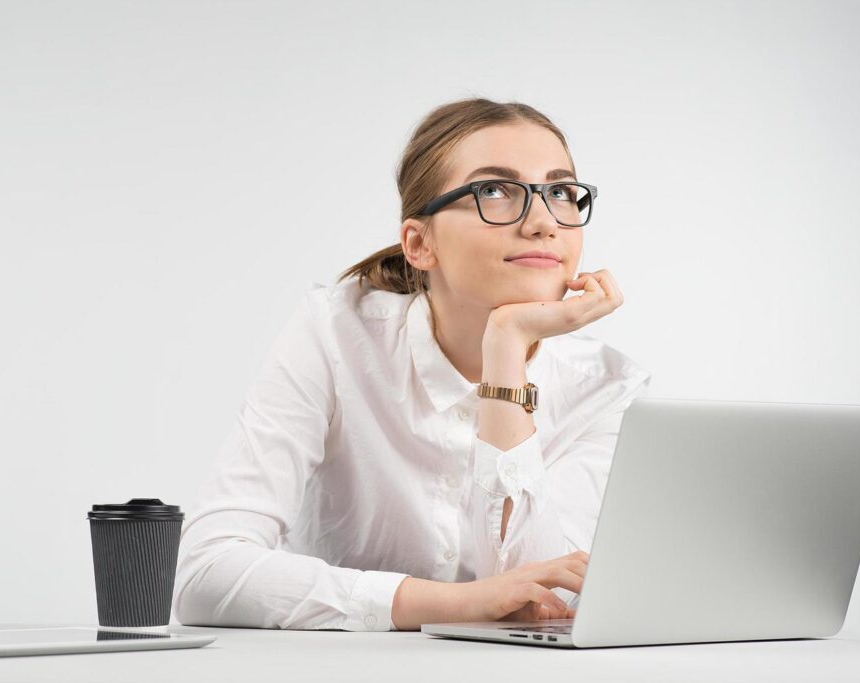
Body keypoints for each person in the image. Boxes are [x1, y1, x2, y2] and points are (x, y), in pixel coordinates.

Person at [172, 97, 651, 632]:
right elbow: (206, 574)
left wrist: (506, 351)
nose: (543, 222)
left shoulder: (609, 387)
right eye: (494, 190)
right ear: (420, 244)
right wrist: (452, 605)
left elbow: (543, 604)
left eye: (560, 192)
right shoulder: (333, 334)